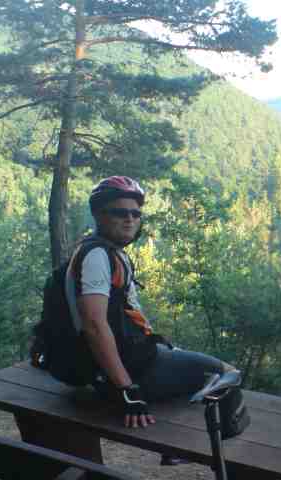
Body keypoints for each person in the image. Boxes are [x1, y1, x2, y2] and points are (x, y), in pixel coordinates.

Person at [70, 175, 235, 429]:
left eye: (136, 214)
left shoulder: (105, 251)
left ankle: (179, 443)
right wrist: (127, 390)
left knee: (196, 369)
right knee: (226, 375)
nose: (130, 219)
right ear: (99, 215)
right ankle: (190, 446)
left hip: (130, 360)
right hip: (131, 371)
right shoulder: (96, 256)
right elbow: (94, 325)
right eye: (120, 213)